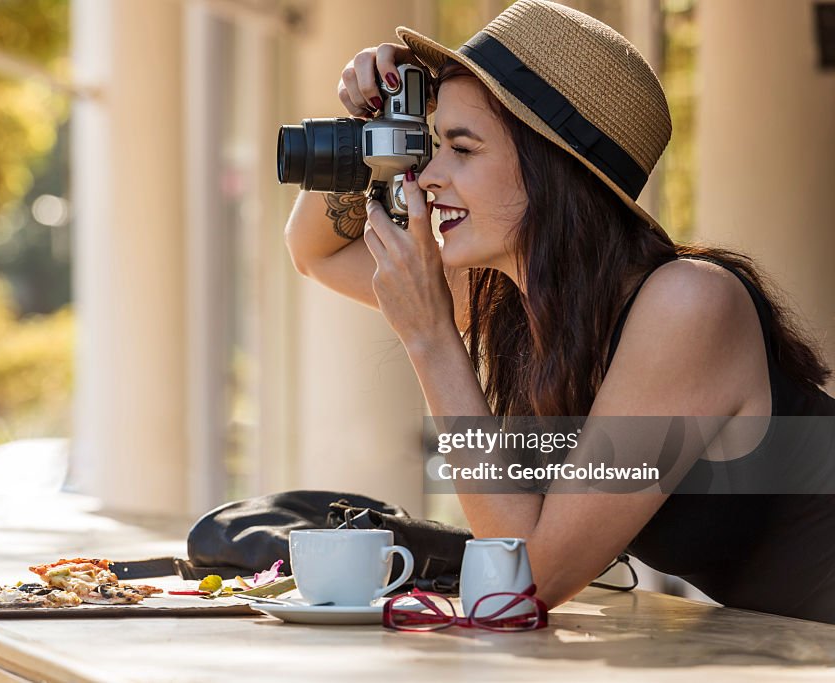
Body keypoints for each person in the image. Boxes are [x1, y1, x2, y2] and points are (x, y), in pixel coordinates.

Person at [283, 0, 835, 623]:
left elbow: (522, 584)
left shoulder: (689, 305)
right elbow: (318, 252)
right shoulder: (524, 301)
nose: (430, 175)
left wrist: (432, 337)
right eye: (435, 145)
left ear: (554, 173)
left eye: (462, 149)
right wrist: (370, 120)